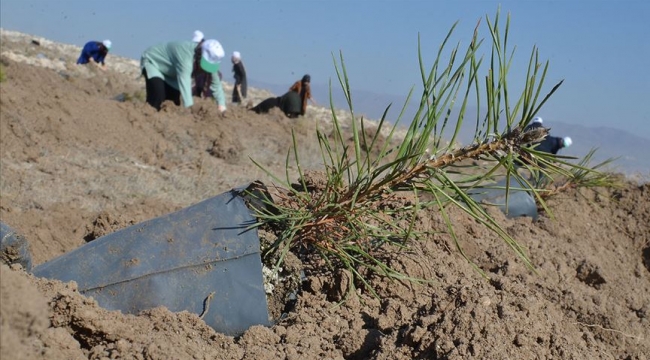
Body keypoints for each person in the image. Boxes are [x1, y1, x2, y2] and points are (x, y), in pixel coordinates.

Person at [140, 38, 226, 112]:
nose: (204, 69)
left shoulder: (212, 59)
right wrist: (190, 113)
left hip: (172, 73)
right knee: (158, 97)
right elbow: (185, 84)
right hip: (154, 63)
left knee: (172, 105)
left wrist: (222, 107)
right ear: (200, 54)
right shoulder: (186, 57)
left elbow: (216, 84)